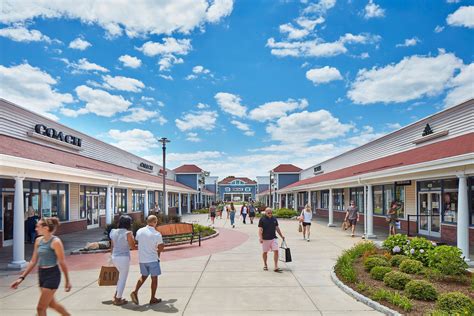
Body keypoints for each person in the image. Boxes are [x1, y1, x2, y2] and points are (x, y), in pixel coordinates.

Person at [10, 217, 71, 316]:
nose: (35, 229)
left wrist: (67, 281)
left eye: (37, 226)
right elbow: (33, 261)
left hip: (53, 275)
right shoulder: (38, 241)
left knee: (40, 308)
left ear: (46, 228)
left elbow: (62, 262)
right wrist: (21, 278)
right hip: (42, 274)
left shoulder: (56, 242)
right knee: (51, 304)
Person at [130, 215, 164, 306]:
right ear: (155, 222)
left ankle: (135, 291)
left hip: (142, 259)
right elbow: (161, 247)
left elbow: (137, 241)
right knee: (154, 279)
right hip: (152, 259)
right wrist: (158, 252)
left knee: (143, 276)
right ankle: (152, 298)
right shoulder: (157, 234)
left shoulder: (140, 231)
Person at [109, 215, 136, 306]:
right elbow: (133, 246)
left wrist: (110, 257)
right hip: (123, 258)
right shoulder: (128, 233)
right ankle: (118, 299)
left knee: (120, 278)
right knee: (123, 279)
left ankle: (116, 295)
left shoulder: (113, 232)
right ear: (129, 224)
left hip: (114, 257)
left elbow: (112, 246)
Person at [258, 208, 285, 272]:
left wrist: (281, 236)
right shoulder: (262, 219)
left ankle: (276, 266)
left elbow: (277, 228)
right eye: (268, 213)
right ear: (265, 212)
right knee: (265, 252)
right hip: (265, 239)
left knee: (276, 251)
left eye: (271, 213)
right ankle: (265, 264)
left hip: (273, 238)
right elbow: (260, 230)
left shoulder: (274, 219)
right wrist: (261, 238)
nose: (270, 214)